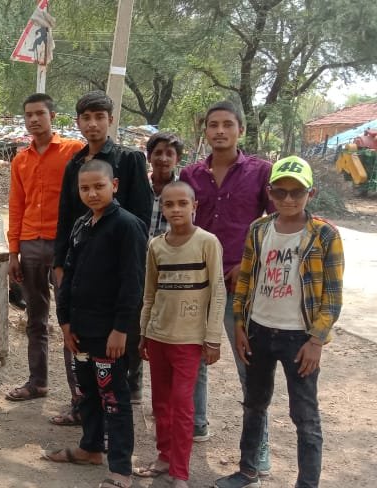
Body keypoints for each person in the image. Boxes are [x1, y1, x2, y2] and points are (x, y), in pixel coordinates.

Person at [214, 156, 343, 488]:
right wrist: (240, 325)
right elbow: (245, 282)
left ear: (311, 193)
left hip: (299, 339)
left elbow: (332, 295)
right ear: (270, 193)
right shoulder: (259, 230)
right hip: (259, 330)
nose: (288, 199)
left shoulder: (324, 234)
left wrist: (316, 340)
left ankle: (307, 483)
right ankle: (248, 470)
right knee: (254, 404)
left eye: (296, 192)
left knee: (305, 415)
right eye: (280, 191)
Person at [43, 160, 147, 488]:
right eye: (84, 188)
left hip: (109, 333)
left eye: (99, 186)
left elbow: (133, 283)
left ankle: (121, 469)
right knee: (86, 391)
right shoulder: (81, 224)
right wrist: (64, 322)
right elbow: (68, 276)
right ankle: (90, 448)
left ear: (114, 185)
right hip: (81, 329)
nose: (92, 193)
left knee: (114, 397)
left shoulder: (127, 226)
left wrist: (121, 329)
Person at [180, 101, 275, 453]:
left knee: (248, 363)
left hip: (240, 284)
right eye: (213, 124)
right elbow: (182, 224)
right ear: (205, 130)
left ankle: (257, 449)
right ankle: (195, 426)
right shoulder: (190, 175)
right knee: (193, 357)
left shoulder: (261, 172)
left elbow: (275, 224)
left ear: (240, 130)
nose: (220, 130)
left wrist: (248, 263)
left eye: (227, 124)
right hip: (197, 279)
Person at [51, 90, 151, 423]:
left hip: (117, 267)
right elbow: (65, 217)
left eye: (99, 117)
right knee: (77, 338)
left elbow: (141, 217)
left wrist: (129, 264)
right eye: (86, 118)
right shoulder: (75, 164)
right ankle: (83, 406)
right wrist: (59, 263)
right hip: (79, 266)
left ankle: (117, 410)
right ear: (78, 122)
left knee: (116, 340)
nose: (92, 124)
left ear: (110, 120)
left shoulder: (130, 160)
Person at [133, 181, 225, 488]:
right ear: (162, 207)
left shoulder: (207, 242)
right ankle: (164, 457)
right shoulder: (156, 246)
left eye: (183, 203)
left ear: (194, 206)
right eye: (169, 204)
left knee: (183, 405)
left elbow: (218, 291)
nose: (176, 210)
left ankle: (180, 473)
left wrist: (213, 338)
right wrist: (143, 333)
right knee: (160, 403)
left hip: (189, 341)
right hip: (158, 337)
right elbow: (149, 294)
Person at [4, 93, 85, 403]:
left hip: (65, 246)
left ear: (53, 116)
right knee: (36, 318)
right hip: (30, 245)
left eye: (40, 113)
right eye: (29, 115)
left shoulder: (73, 151)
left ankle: (79, 394)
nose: (34, 119)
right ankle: (37, 382)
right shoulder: (20, 160)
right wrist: (14, 252)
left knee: (71, 319)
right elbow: (16, 205)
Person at [146, 132, 184, 238]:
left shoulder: (183, 192)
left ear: (178, 159)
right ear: (149, 157)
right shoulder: (139, 186)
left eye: (169, 154)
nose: (163, 159)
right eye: (158, 153)